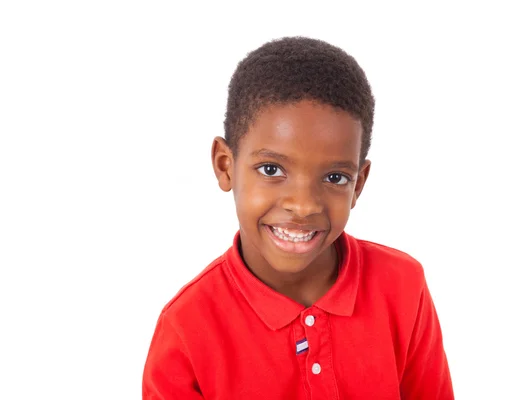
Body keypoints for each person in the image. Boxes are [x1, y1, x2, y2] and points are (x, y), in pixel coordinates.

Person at [142, 36, 454, 399]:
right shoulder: (186, 327)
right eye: (271, 169)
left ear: (359, 184)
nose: (304, 205)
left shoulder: (402, 286)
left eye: (335, 177)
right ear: (225, 166)